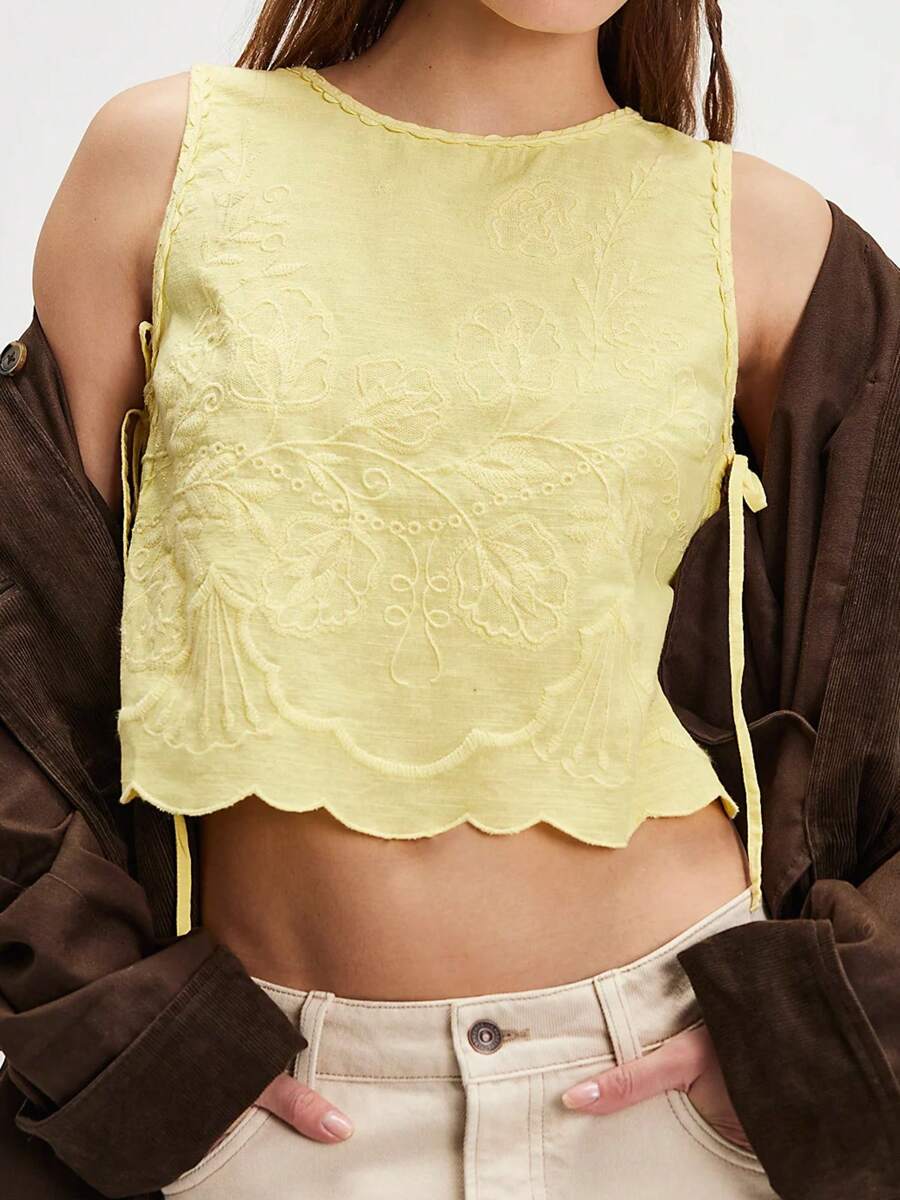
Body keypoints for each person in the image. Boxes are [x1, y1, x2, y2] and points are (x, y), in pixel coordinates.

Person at [25, 1, 837, 1196]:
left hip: (665, 1087)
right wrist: (139, 1047)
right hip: (266, 1105)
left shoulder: (763, 232)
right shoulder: (167, 160)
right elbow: (21, 651)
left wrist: (808, 1036)